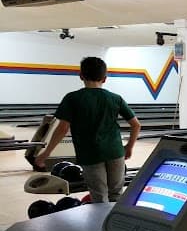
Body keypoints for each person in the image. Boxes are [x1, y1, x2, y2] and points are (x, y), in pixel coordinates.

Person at [35, 57, 141, 203]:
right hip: (115, 152)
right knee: (116, 193)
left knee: (99, 196)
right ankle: (114, 225)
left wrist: (46, 153)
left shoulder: (72, 98)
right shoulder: (115, 98)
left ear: (81, 76)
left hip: (90, 155)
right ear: (104, 79)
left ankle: (99, 226)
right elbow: (136, 124)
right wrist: (129, 147)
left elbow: (62, 129)